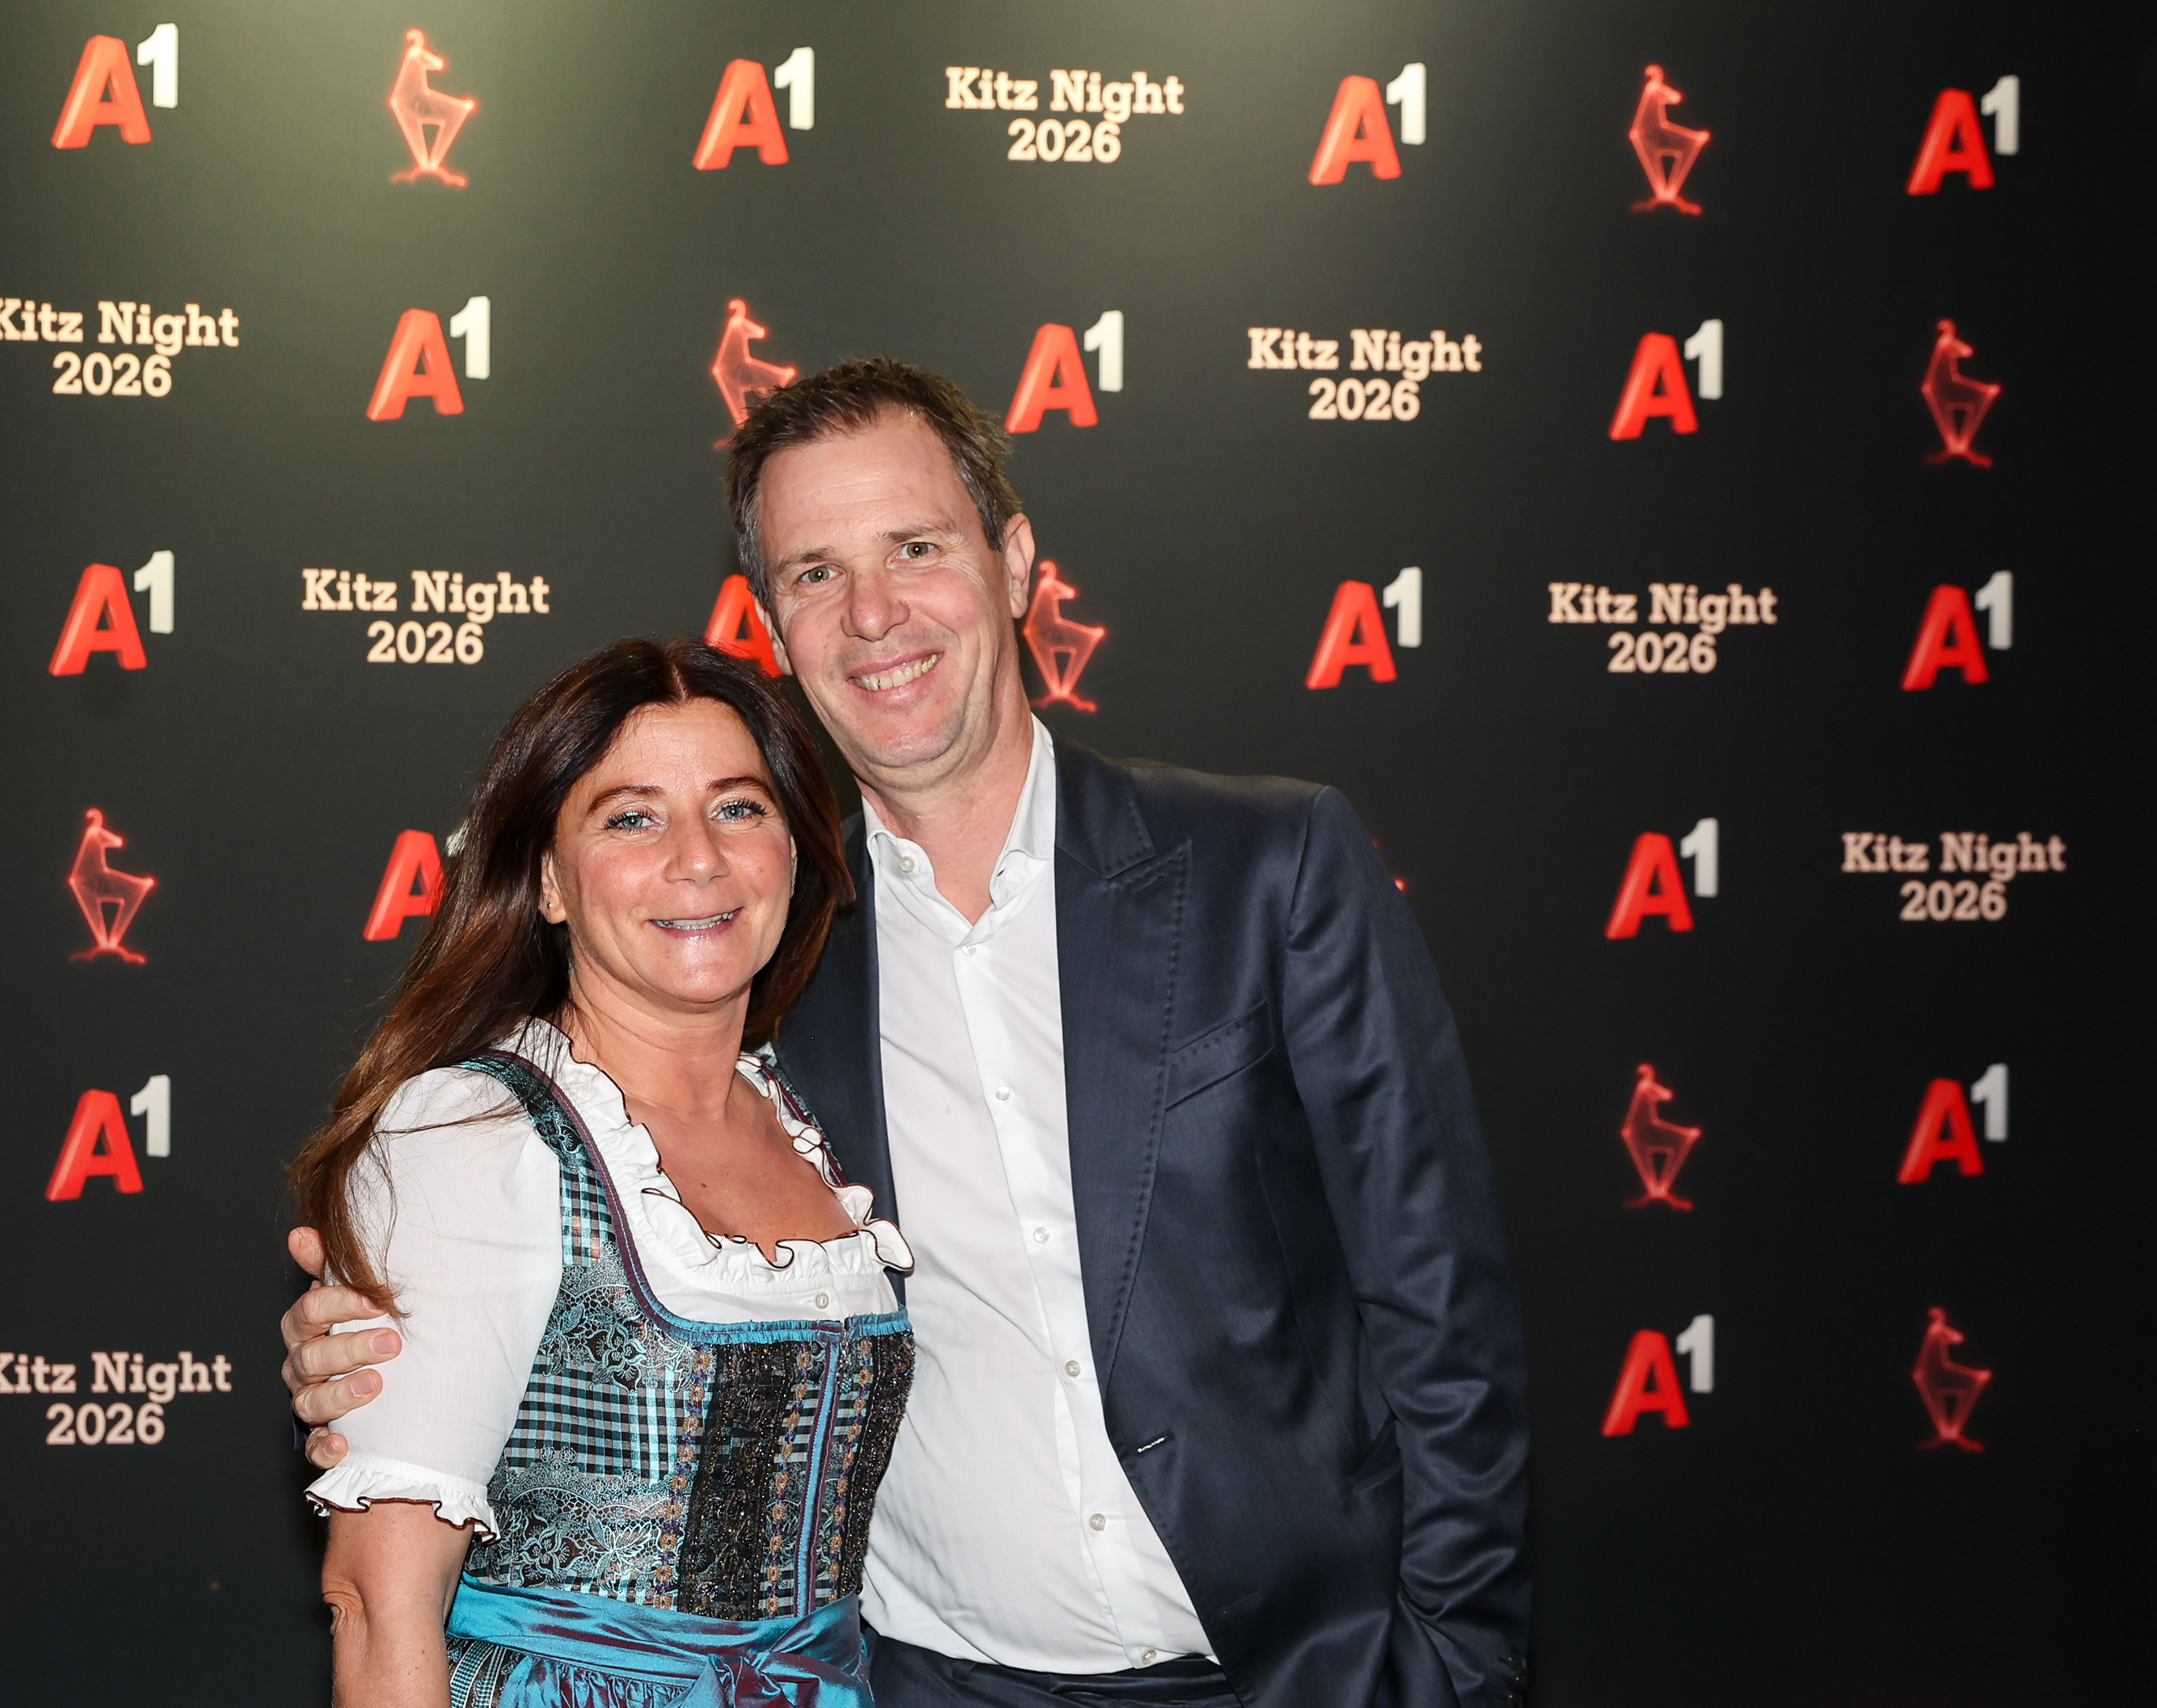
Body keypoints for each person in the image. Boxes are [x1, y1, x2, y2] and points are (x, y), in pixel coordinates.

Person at [288, 361, 1531, 1708]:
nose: (873, 612)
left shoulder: (1266, 866)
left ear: (1015, 562)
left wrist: (1456, 1666)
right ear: (772, 621)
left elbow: (1438, 1303)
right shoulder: (764, 956)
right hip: (935, 1683)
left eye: (915, 547)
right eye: (815, 573)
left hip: (1304, 1672)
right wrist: (384, 1342)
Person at [292, 636, 916, 1708]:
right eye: (632, 817)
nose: (698, 858)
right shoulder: (473, 1131)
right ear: (547, 879)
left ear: (793, 849)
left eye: (738, 807)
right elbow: (378, 1602)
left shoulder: (812, 1113)